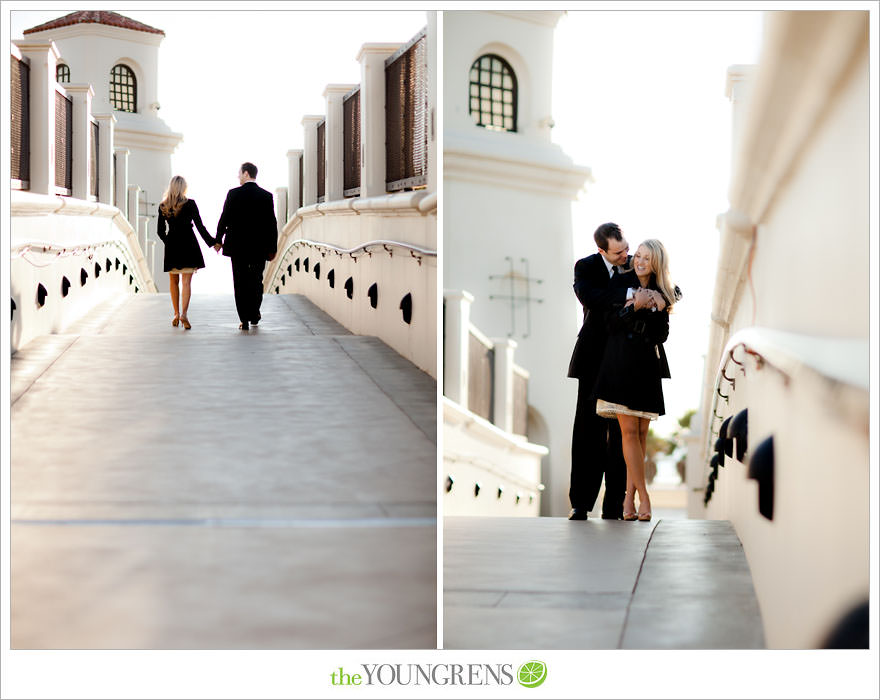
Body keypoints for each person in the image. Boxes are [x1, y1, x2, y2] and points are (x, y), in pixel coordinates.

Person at [567, 222, 656, 520]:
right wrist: (631, 295)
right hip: (593, 359)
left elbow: (660, 287)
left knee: (622, 434)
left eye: (627, 248)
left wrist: (652, 297)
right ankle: (580, 502)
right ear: (601, 250)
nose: (626, 256)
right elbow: (590, 298)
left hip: (624, 358)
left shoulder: (634, 265)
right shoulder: (586, 267)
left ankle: (615, 505)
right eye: (618, 252)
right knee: (587, 432)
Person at [592, 239, 679, 522]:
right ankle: (645, 497)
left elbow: (660, 336)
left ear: (656, 262)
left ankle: (628, 497)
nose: (639, 261)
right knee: (628, 432)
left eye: (646, 257)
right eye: (637, 255)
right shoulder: (620, 283)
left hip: (645, 367)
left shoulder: (664, 293)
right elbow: (609, 325)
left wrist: (656, 305)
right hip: (619, 363)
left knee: (641, 436)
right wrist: (633, 307)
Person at [213, 162, 278, 330]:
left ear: (246, 173)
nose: (238, 176)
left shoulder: (233, 194)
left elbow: (224, 218)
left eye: (240, 173)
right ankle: (255, 312)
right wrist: (273, 248)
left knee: (240, 281)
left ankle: (244, 319)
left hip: (237, 247)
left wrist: (218, 239)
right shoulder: (266, 196)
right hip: (259, 247)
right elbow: (272, 224)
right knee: (256, 280)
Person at [156, 175, 216, 330]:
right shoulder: (190, 204)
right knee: (186, 282)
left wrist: (168, 242)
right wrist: (213, 242)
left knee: (173, 281)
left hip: (172, 247)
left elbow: (160, 231)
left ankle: (175, 314)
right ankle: (184, 314)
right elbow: (200, 227)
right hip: (189, 245)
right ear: (183, 188)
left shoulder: (163, 206)